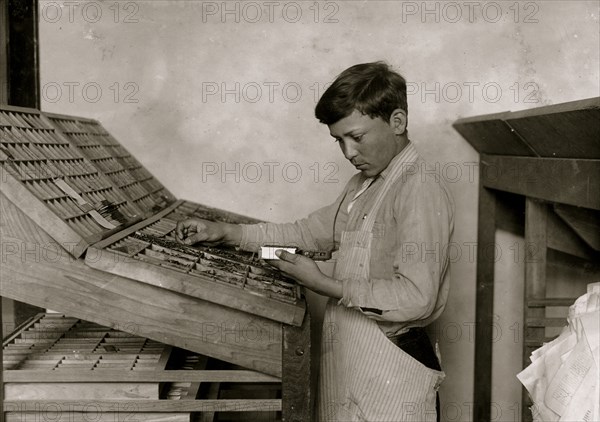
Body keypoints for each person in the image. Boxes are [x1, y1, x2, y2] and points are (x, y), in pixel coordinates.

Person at [176, 61, 454, 421]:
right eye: (339, 141)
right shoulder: (365, 184)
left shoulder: (419, 187)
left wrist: (323, 283)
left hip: (393, 363)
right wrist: (228, 233)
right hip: (352, 356)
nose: (348, 153)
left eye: (357, 137)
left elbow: (417, 297)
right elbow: (306, 233)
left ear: (397, 122)